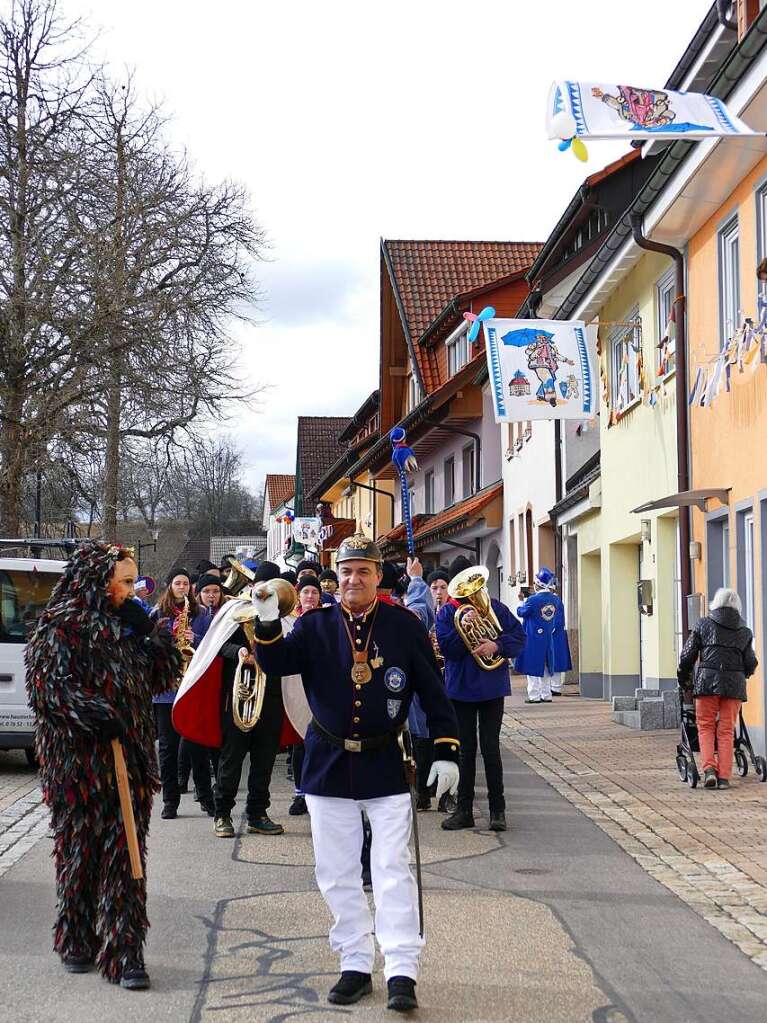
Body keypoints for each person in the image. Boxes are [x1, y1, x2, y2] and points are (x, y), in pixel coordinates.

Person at [252, 533, 460, 1013]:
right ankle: (355, 961)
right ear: (336, 577)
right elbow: (277, 661)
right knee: (336, 870)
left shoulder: (405, 626)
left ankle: (402, 968)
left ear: (378, 577)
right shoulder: (315, 625)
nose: (353, 579)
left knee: (391, 869)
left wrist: (448, 748)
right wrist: (266, 620)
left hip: (385, 761)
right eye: (345, 571)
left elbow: (432, 691)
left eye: (363, 571)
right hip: (327, 763)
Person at [25, 541, 180, 989]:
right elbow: (48, 692)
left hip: (127, 762)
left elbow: (160, 677)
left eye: (134, 581)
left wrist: (154, 639)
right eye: (125, 582)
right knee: (78, 854)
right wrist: (94, 714)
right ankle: (76, 937)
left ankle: (125, 952)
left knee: (125, 856)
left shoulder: (129, 623)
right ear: (98, 580)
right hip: (77, 768)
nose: (133, 591)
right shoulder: (59, 626)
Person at [437, 562, 525, 833]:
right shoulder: (447, 614)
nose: (471, 595)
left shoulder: (495, 608)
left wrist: (496, 644)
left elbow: (519, 638)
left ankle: (498, 810)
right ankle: (464, 810)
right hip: (461, 689)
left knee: (490, 748)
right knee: (465, 750)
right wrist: (462, 631)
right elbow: (448, 650)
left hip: (491, 687)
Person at [212, 561, 287, 838]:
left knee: (264, 758)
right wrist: (241, 652)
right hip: (240, 695)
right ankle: (222, 814)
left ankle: (257, 813)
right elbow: (218, 644)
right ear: (253, 586)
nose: (266, 592)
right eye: (262, 586)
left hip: (271, 696)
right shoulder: (235, 610)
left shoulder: (284, 612)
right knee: (231, 758)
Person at [678, 588, 758, 790]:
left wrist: (683, 677)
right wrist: (744, 675)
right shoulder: (745, 631)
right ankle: (723, 777)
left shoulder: (703, 624)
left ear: (716, 603)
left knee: (705, 727)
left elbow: (687, 655)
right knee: (726, 731)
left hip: (706, 683)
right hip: (734, 685)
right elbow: (751, 661)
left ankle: (709, 770)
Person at [150, 569, 214, 818]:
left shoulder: (200, 615)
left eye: (186, 583)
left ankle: (207, 799)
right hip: (166, 689)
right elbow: (149, 647)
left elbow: (211, 646)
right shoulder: (157, 614)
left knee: (197, 744)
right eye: (178, 583)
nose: (182, 587)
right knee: (167, 748)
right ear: (170, 586)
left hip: (191, 688)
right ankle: (170, 801)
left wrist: (194, 637)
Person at [515, 567, 572, 703]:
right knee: (547, 667)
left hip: (533, 638)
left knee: (532, 667)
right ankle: (547, 694)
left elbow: (521, 612)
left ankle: (534, 696)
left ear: (537, 584)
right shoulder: (556, 600)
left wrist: (521, 601)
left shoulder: (532, 600)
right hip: (548, 638)